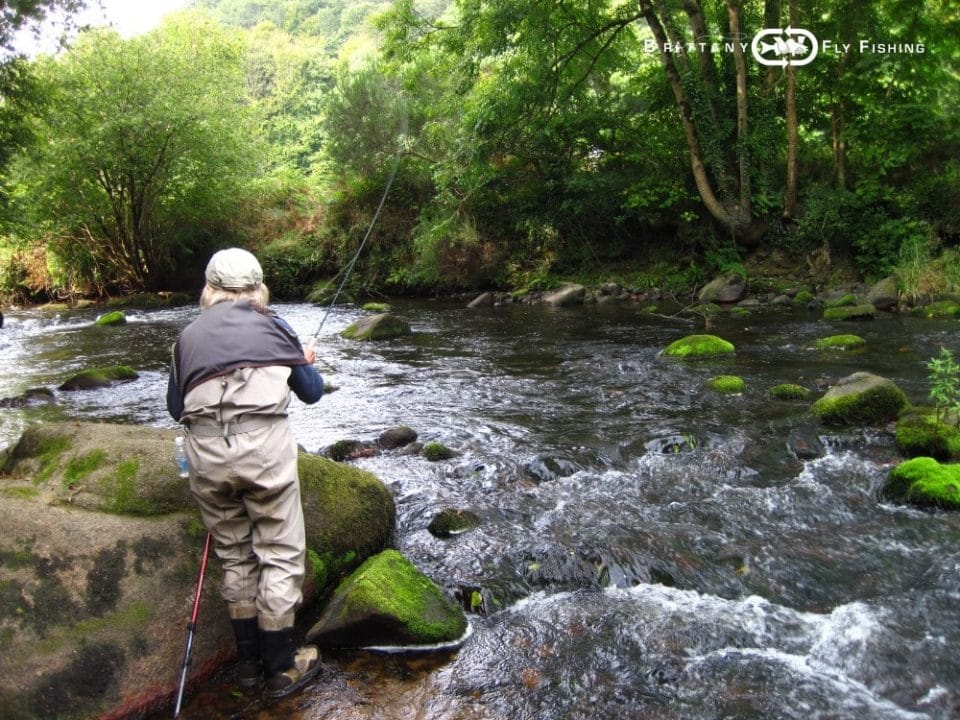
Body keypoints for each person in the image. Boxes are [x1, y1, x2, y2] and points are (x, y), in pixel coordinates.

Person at [166, 247, 324, 698]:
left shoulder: (186, 338)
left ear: (210, 288)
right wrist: (304, 361)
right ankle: (281, 668)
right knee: (278, 551)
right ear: (257, 287)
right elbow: (311, 393)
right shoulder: (274, 324)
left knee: (235, 555)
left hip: (206, 457)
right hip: (264, 453)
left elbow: (176, 408)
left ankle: (249, 668)